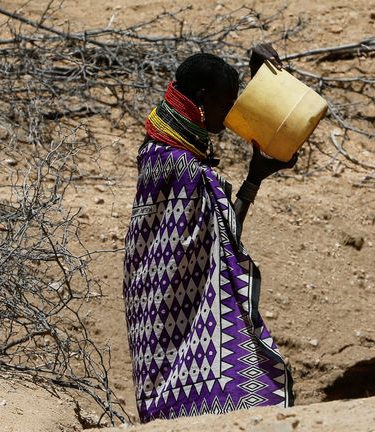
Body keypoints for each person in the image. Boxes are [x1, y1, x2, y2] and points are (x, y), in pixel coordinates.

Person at [123, 45, 296, 423]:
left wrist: (255, 176)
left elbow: (214, 239)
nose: (232, 113)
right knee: (253, 389)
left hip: (152, 308)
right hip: (172, 310)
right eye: (228, 103)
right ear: (202, 100)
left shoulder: (157, 149)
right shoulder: (184, 167)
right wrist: (253, 179)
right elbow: (226, 237)